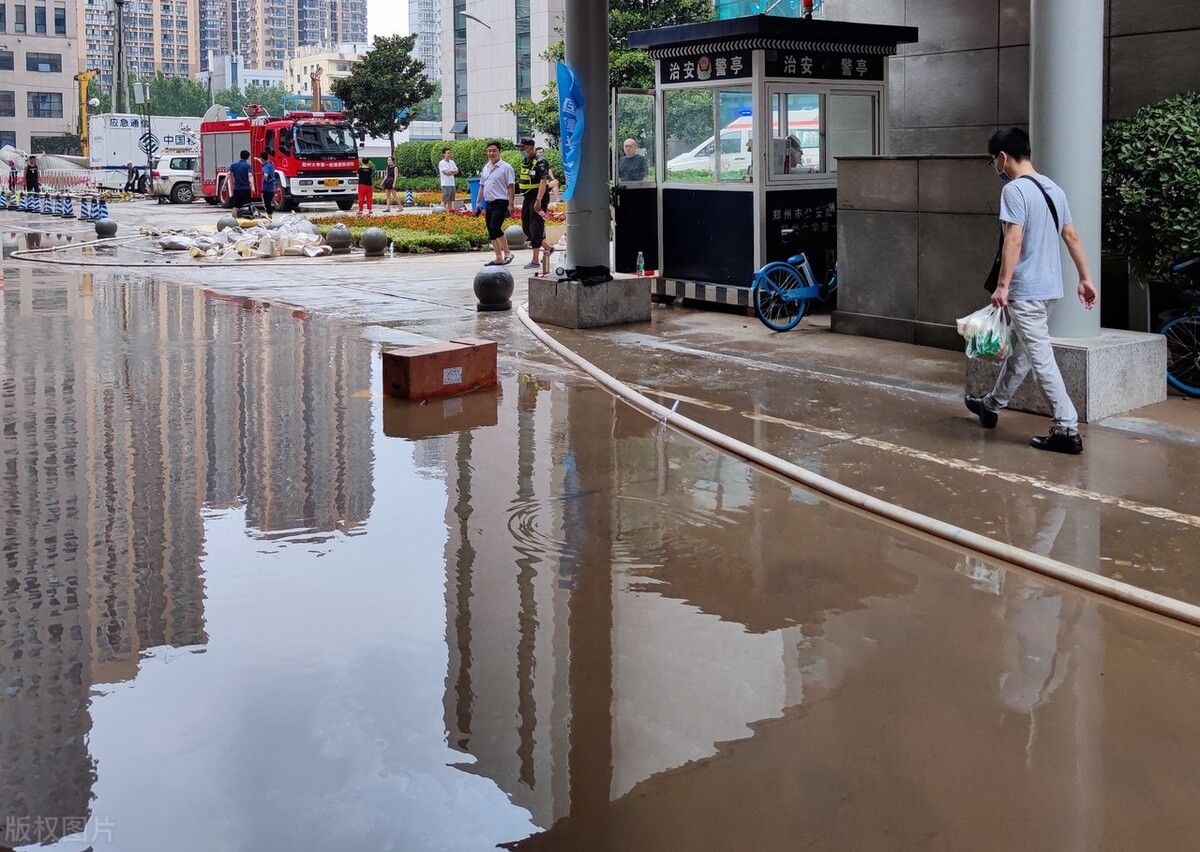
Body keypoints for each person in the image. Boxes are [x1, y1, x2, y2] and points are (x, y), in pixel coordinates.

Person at [965, 127, 1098, 455]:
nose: (995, 166)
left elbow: (1014, 238)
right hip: (1051, 288)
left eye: (994, 161)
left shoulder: (1014, 191)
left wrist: (1003, 286)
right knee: (1023, 354)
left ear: (1003, 157)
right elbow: (1072, 236)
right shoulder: (1054, 188)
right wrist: (1085, 277)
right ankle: (992, 405)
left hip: (1025, 291)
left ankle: (1067, 427)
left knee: (1040, 358)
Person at [475, 141, 515, 266]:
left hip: (501, 202)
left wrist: (511, 204)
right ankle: (498, 257)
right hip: (489, 202)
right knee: (491, 231)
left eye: (494, 150)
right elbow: (482, 185)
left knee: (495, 227)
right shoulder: (486, 167)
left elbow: (511, 186)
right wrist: (478, 202)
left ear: (499, 151)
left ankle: (508, 253)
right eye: (489, 151)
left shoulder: (506, 167)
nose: (491, 153)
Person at [517, 138, 552, 270]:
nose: (521, 150)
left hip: (539, 197)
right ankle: (548, 248)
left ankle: (535, 260)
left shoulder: (541, 161)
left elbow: (543, 182)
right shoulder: (526, 161)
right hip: (528, 197)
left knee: (536, 226)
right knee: (526, 228)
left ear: (531, 148)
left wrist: (538, 200)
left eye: (523, 147)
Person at [258, 151, 277, 219]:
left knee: (267, 204)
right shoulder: (271, 164)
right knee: (268, 203)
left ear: (262, 159)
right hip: (271, 188)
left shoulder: (266, 166)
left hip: (267, 189)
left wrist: (264, 179)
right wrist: (257, 159)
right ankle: (270, 217)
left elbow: (266, 175)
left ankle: (270, 218)